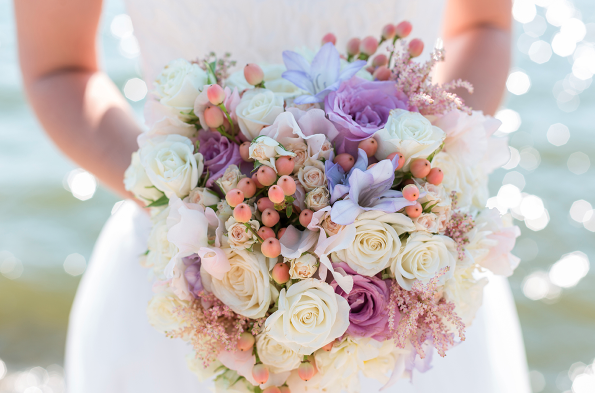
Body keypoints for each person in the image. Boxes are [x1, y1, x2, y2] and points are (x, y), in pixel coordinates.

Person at [15, 0, 530, 392]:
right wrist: (199, 207)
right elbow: (59, 69)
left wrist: (416, 187)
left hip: (413, 283)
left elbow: (484, 26)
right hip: (189, 274)